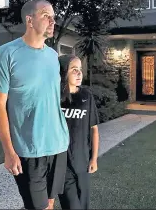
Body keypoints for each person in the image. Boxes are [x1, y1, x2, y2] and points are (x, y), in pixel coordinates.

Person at [0, 0, 70, 210]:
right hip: (29, 148)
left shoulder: (53, 56)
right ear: (30, 20)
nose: (52, 21)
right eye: (46, 15)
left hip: (58, 144)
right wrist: (8, 151)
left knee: (50, 203)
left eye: (54, 17)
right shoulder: (7, 53)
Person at [54, 54, 100, 210]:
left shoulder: (86, 96)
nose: (79, 73)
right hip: (61, 162)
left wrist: (94, 159)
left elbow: (94, 129)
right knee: (72, 205)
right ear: (63, 72)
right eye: (74, 70)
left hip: (83, 160)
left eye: (80, 69)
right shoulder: (55, 97)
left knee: (83, 205)